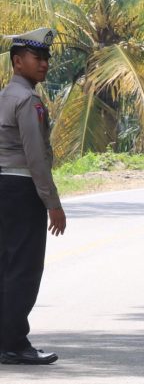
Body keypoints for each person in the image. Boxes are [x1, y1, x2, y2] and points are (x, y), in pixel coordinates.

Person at [0, 27, 65, 365]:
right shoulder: (28, 100)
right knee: (23, 269)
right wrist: (52, 203)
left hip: (3, 187)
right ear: (17, 62)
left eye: (46, 59)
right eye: (37, 58)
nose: (44, 64)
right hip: (22, 189)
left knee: (5, 267)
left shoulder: (4, 96)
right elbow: (35, 157)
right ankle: (13, 343)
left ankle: (6, 340)